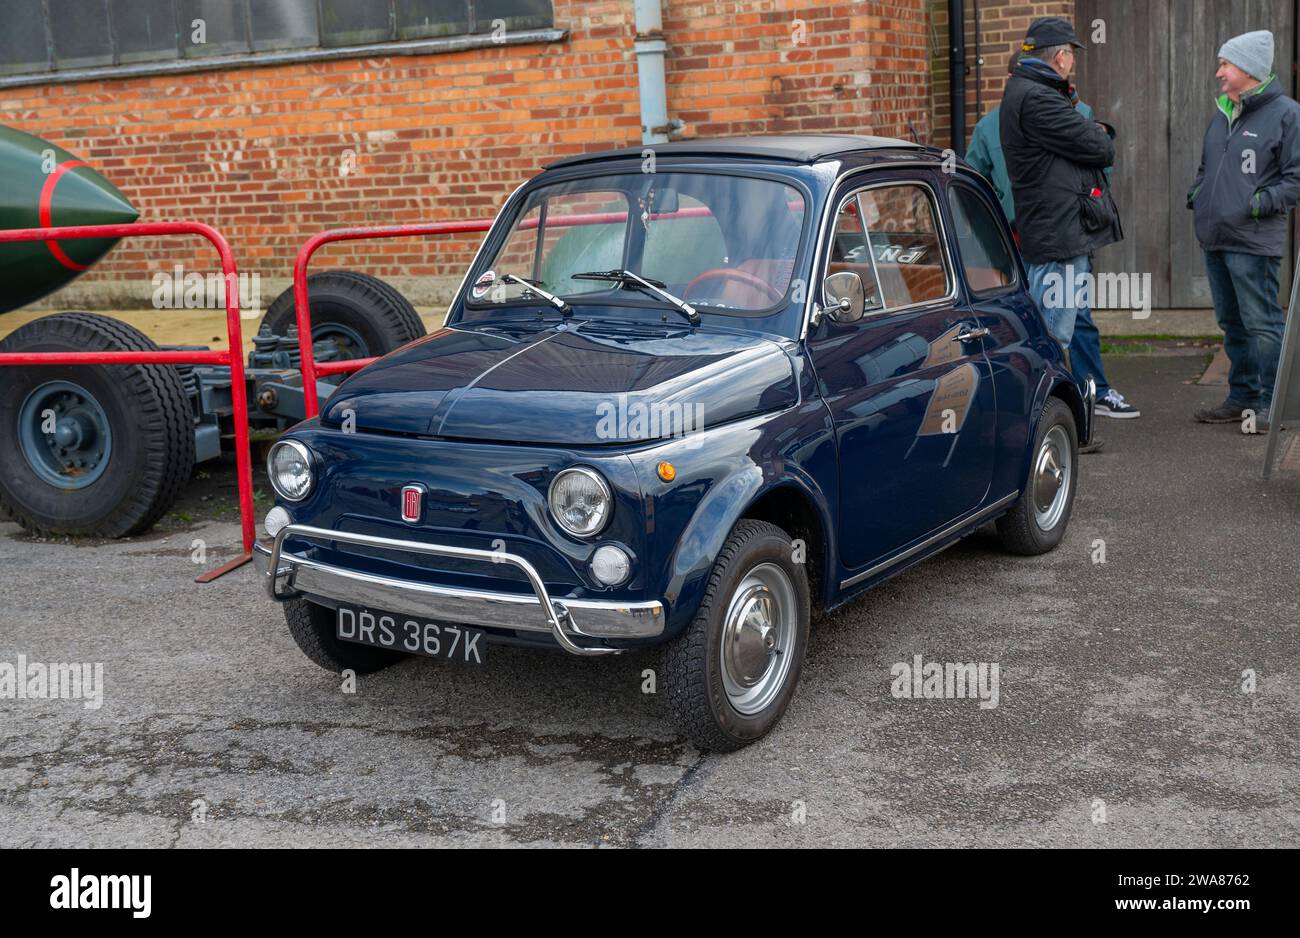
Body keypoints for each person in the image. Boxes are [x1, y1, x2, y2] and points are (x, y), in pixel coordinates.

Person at [1000, 16, 1140, 429]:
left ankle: (1048, 419)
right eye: (1070, 56)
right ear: (1060, 57)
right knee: (1053, 335)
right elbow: (1098, 146)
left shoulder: (1028, 91)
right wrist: (1095, 132)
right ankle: (1042, 426)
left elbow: (1086, 140)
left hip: (1053, 230)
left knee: (1056, 325)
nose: (1071, 64)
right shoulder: (1039, 98)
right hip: (1058, 235)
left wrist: (1090, 131)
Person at [1189, 30, 1300, 435]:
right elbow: (1207, 167)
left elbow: (1295, 179)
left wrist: (1255, 204)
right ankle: (1242, 399)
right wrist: (1198, 194)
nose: (1219, 72)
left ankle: (1272, 404)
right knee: (1232, 324)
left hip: (1253, 241)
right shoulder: (1222, 112)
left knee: (1262, 324)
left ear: (1249, 70)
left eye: (1225, 64)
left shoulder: (1287, 114)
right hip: (1216, 236)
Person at [967, 51, 1095, 230]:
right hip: (1014, 238)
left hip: (1071, 231)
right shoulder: (987, 127)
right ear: (1011, 79)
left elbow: (1100, 169)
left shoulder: (1079, 113)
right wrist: (1000, 210)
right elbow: (971, 183)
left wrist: (1089, 201)